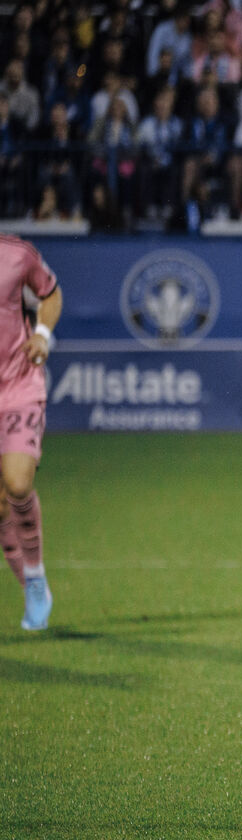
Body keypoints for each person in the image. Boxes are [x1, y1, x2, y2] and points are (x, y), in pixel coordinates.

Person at [0, 233, 61, 631]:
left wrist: (42, 334)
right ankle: (28, 585)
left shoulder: (16, 254)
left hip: (18, 385)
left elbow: (50, 293)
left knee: (18, 483)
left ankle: (36, 575)